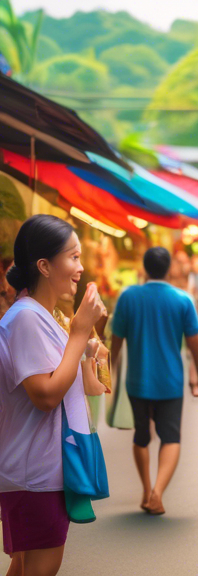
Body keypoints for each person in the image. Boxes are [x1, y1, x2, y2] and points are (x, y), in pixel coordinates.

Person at [0, 214, 108, 576]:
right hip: (36, 474)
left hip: (38, 470)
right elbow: (45, 395)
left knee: (23, 568)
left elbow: (75, 383)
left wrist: (84, 346)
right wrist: (79, 332)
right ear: (44, 266)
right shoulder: (27, 317)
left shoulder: (40, 315)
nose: (80, 267)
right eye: (73, 257)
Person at [110, 247, 198, 516]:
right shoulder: (182, 299)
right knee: (171, 437)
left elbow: (115, 342)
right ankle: (158, 493)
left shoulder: (128, 297)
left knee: (141, 436)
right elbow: (195, 343)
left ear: (144, 267)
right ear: (169, 269)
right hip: (171, 382)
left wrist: (111, 373)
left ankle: (145, 489)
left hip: (137, 381)